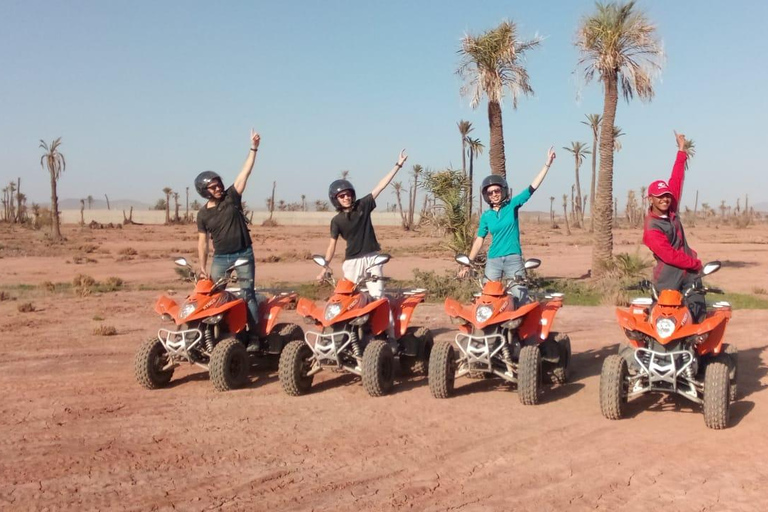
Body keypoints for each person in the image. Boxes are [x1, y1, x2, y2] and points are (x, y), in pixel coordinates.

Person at [460, 147, 556, 304]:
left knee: (519, 297)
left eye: (497, 190)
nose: (494, 194)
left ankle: (518, 327)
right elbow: (479, 240)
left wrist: (547, 164)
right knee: (488, 299)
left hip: (513, 258)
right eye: (490, 193)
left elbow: (532, 188)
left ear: (503, 190)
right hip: (493, 260)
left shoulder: (512, 205)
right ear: (486, 196)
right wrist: (468, 264)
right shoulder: (486, 216)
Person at [317, 150, 408, 302]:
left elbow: (380, 186)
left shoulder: (362, 206)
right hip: (352, 262)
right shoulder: (336, 221)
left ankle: (383, 326)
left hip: (372, 257)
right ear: (335, 199)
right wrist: (324, 267)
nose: (346, 198)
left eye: (348, 194)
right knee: (347, 297)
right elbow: (331, 246)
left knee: (378, 296)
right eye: (341, 196)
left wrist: (398, 165)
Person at [196, 129, 261, 341]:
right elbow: (203, 243)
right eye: (213, 187)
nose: (218, 188)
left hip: (243, 254)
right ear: (204, 191)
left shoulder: (231, 197)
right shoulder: (203, 214)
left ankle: (254, 337)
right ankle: (213, 335)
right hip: (220, 258)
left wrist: (253, 148)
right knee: (213, 296)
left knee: (247, 294)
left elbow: (245, 173)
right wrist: (202, 267)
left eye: (218, 184)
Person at [642, 130, 705, 322]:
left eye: (667, 195)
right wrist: (695, 263)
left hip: (689, 275)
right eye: (660, 196)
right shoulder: (652, 228)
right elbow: (669, 255)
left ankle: (696, 352)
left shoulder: (671, 210)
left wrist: (681, 151)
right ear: (650, 199)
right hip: (669, 279)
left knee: (697, 317)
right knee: (665, 320)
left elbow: (676, 180)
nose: (665, 199)